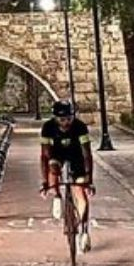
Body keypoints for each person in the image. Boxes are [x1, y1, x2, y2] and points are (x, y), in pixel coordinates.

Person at [39, 100, 96, 252]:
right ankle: (57, 196)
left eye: (69, 119)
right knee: (53, 167)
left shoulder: (80, 126)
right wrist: (45, 183)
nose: (66, 123)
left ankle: (84, 230)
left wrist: (89, 180)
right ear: (55, 118)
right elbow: (44, 156)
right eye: (62, 119)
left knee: (80, 190)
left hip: (76, 156)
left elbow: (87, 155)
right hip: (57, 154)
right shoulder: (48, 127)